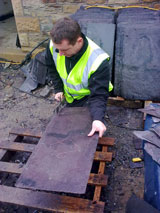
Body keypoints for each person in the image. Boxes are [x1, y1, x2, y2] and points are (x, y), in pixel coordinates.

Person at [45, 17, 113, 138]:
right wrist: (58, 89)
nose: (60, 53)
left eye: (64, 50)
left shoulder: (97, 60)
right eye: (58, 49)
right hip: (70, 97)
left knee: (85, 134)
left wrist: (97, 119)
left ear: (79, 41)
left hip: (88, 98)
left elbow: (98, 95)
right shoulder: (54, 45)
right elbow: (52, 68)